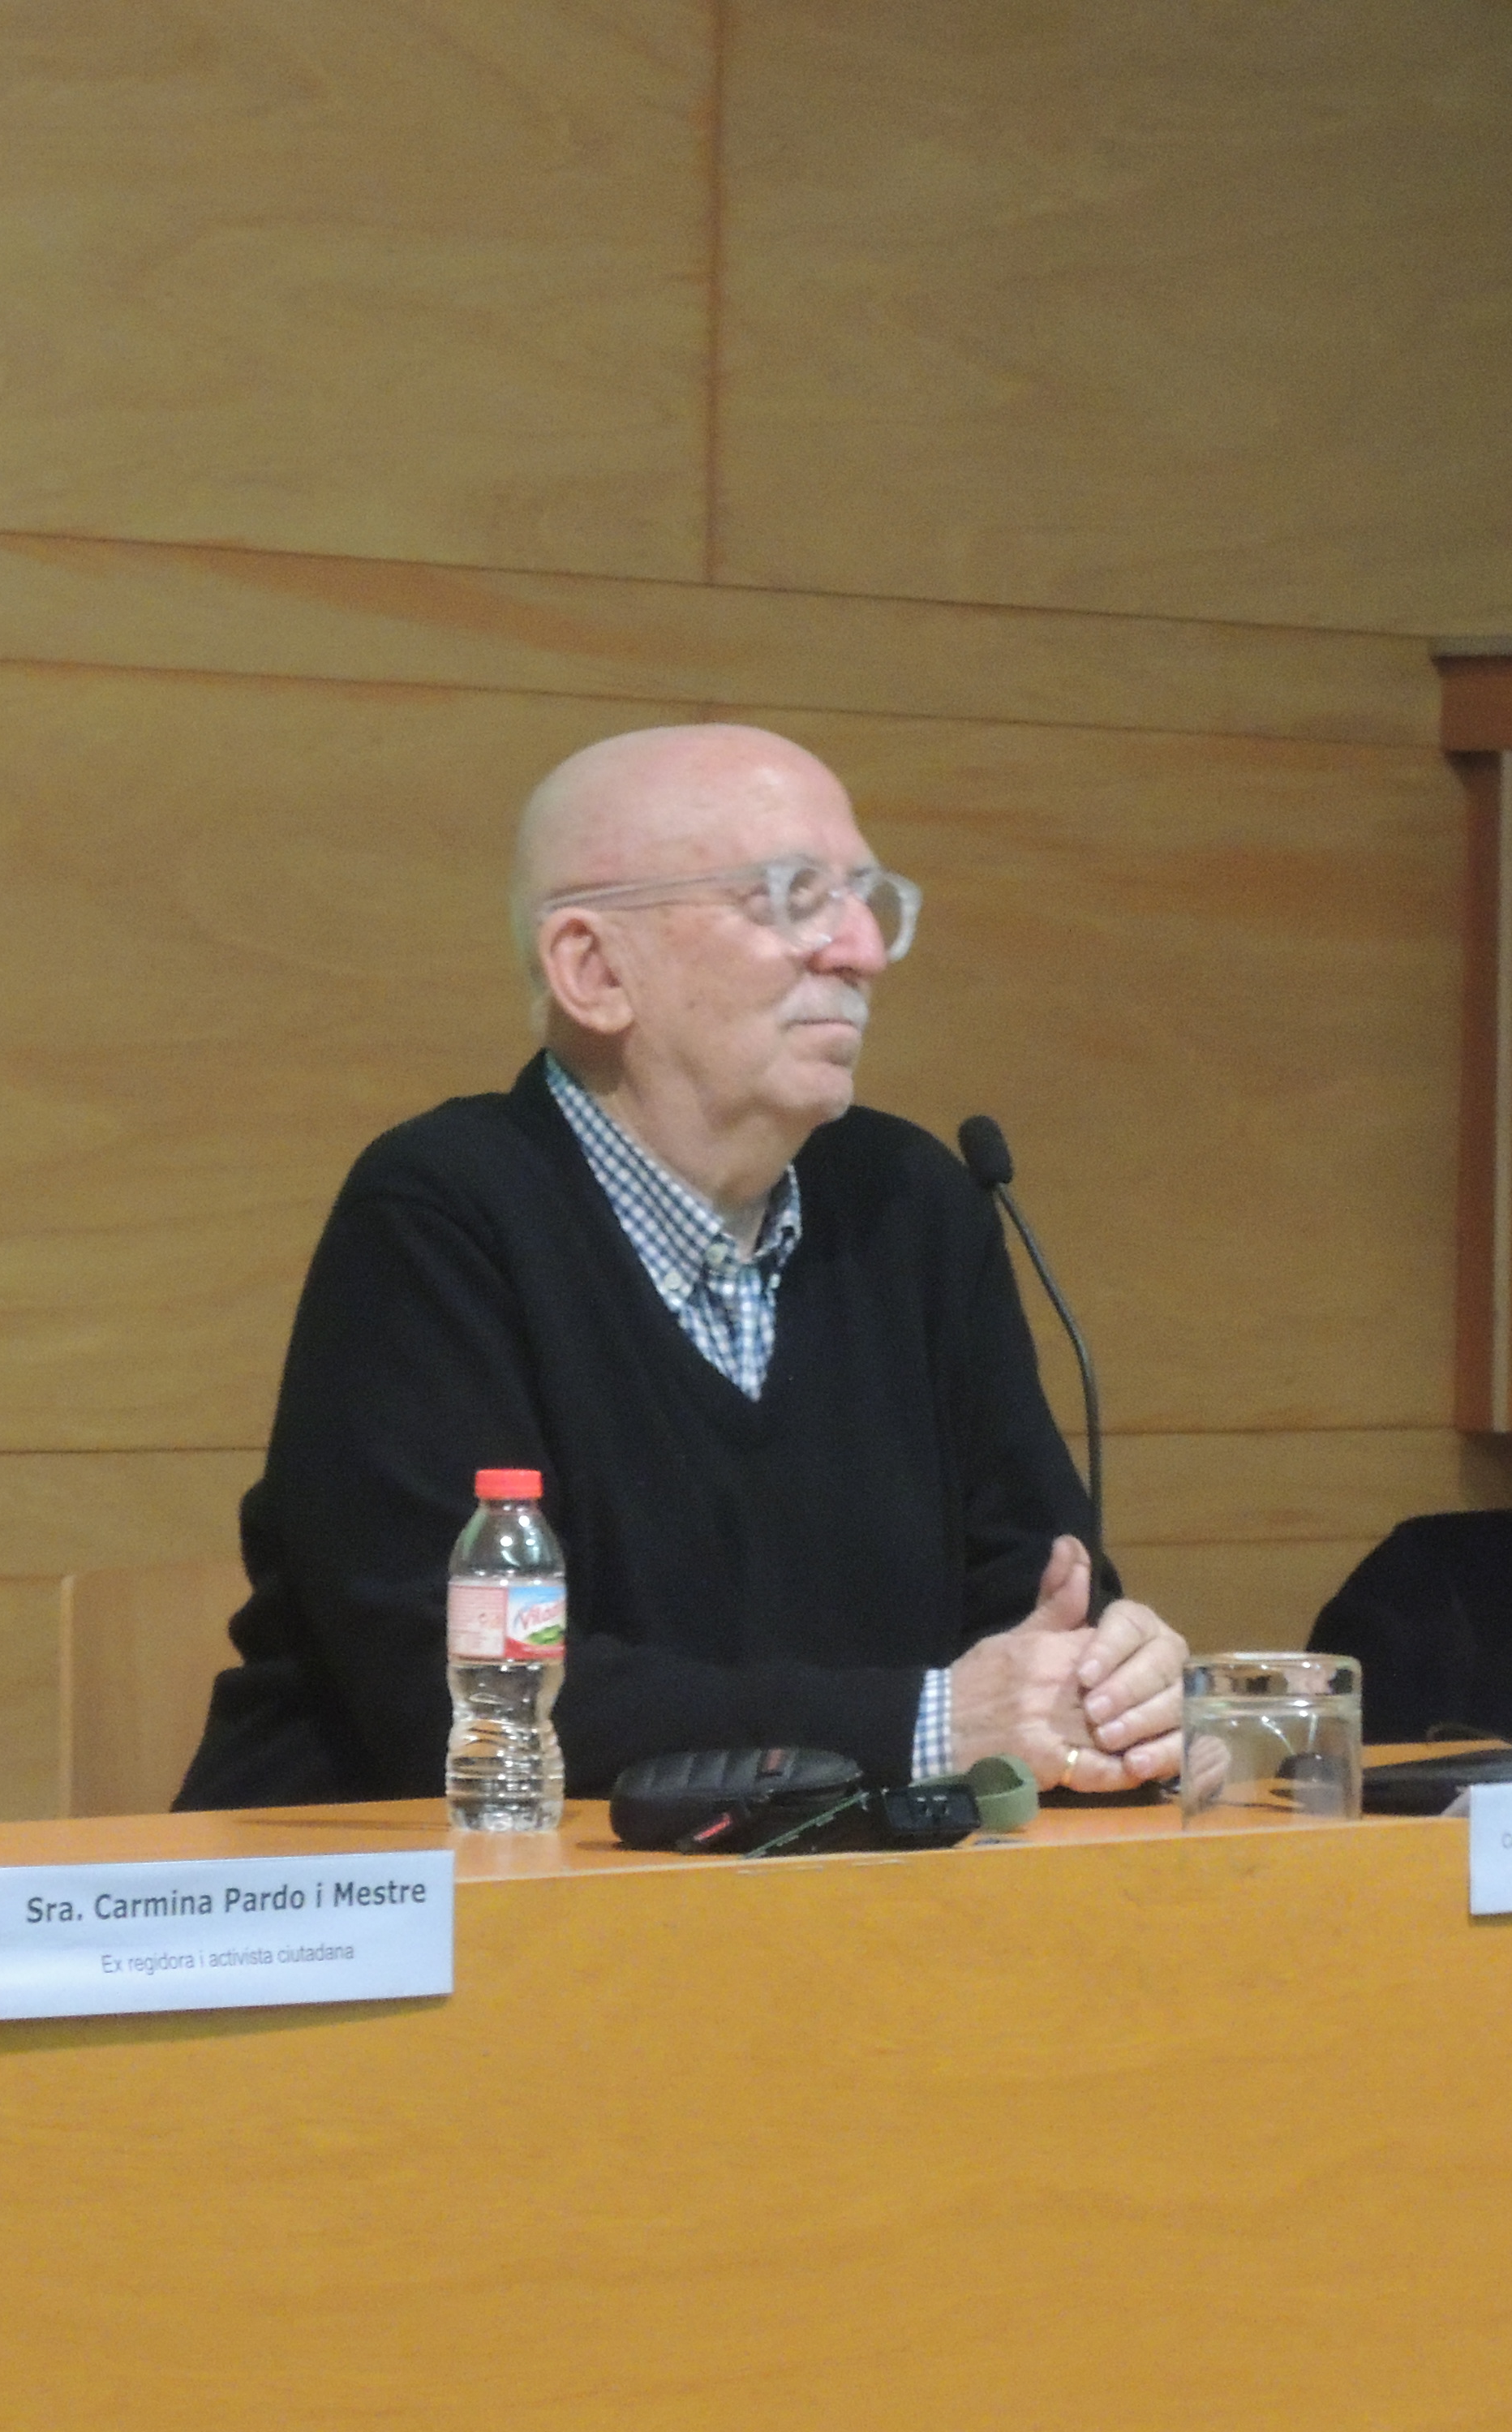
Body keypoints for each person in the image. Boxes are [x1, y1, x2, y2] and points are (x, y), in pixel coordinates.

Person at [178, 722, 1186, 1806]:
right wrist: (928, 1724)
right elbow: (467, 1703)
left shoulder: (914, 1204)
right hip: (408, 1922)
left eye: (865, 898)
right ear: (595, 969)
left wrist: (1111, 1688)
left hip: (820, 1906)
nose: (861, 950)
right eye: (793, 897)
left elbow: (1036, 1607)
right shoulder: (440, 1215)